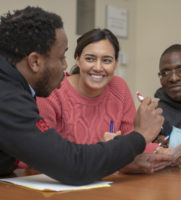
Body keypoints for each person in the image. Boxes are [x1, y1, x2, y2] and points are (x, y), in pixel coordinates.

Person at [0, 6, 170, 185]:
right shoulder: (7, 97)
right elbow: (73, 165)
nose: (65, 66)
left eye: (106, 60)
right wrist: (141, 135)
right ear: (35, 62)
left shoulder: (13, 86)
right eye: (60, 58)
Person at [36, 28, 172, 173]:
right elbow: (40, 151)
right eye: (90, 59)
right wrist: (109, 151)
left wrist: (161, 152)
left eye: (107, 60)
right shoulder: (52, 91)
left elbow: (132, 138)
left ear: (116, 62)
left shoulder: (119, 87)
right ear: (77, 58)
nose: (98, 67)